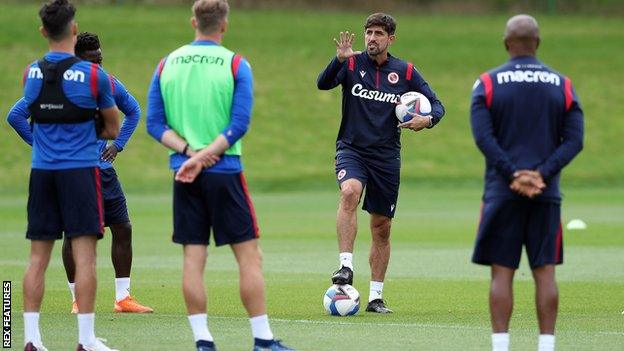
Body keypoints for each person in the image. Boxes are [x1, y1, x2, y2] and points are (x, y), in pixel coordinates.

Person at [146, 1, 294, 350]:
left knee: (193, 259)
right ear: (224, 24)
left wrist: (190, 155)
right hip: (224, 171)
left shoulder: (167, 63)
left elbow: (154, 124)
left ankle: (203, 341)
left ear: (193, 21)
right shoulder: (236, 64)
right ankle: (262, 339)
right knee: (249, 257)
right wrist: (207, 155)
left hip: (184, 173)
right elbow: (238, 124)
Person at [7, 31, 151, 315]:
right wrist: (42, 143)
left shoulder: (106, 81)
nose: (98, 65)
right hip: (74, 171)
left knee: (123, 228)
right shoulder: (58, 83)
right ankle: (76, 299)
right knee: (74, 236)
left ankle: (123, 298)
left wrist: (118, 145)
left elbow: (133, 110)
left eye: (100, 58)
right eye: (92, 60)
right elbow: (15, 115)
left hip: (103, 171)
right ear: (78, 59)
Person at [316, 13, 445, 313]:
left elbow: (437, 105)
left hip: (386, 156)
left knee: (381, 227)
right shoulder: (350, 64)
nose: (371, 38)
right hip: (352, 149)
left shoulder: (406, 71)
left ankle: (375, 297)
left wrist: (426, 120)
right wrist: (338, 60)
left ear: (391, 39)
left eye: (378, 34)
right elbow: (322, 84)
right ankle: (345, 267)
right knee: (349, 191)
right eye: (368, 33)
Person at [470, 14, 584, 351]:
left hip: (501, 193)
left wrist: (512, 174)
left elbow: (484, 138)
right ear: (537, 43)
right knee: (545, 272)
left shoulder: (487, 84)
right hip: (545, 195)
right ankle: (546, 346)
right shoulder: (563, 85)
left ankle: (501, 346)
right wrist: (541, 174)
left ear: (507, 43)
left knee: (502, 273)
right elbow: (574, 140)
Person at [14, 1, 120, 350]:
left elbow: (26, 114)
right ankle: (86, 341)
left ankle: (30, 339)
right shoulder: (94, 75)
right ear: (74, 30)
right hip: (79, 172)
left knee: (37, 258)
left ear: (43, 31)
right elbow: (112, 127)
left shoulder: (31, 72)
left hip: (42, 171)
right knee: (86, 257)